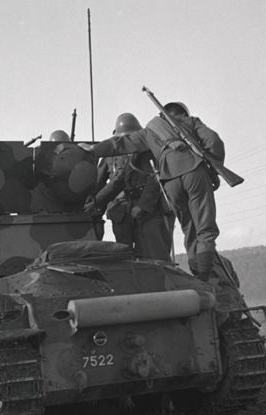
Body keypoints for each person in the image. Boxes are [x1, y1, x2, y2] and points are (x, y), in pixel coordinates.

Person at [80, 100, 225, 280]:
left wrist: (94, 149)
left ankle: (198, 266)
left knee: (188, 225)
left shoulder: (151, 130)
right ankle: (203, 273)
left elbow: (121, 144)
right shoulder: (191, 122)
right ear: (182, 114)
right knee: (204, 227)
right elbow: (214, 142)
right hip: (194, 173)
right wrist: (213, 168)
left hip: (170, 181)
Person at [84, 113, 174, 261]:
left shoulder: (149, 153)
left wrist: (142, 206)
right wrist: (96, 201)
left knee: (150, 255)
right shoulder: (111, 156)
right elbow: (114, 182)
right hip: (122, 210)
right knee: (123, 255)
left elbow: (154, 180)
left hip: (147, 211)